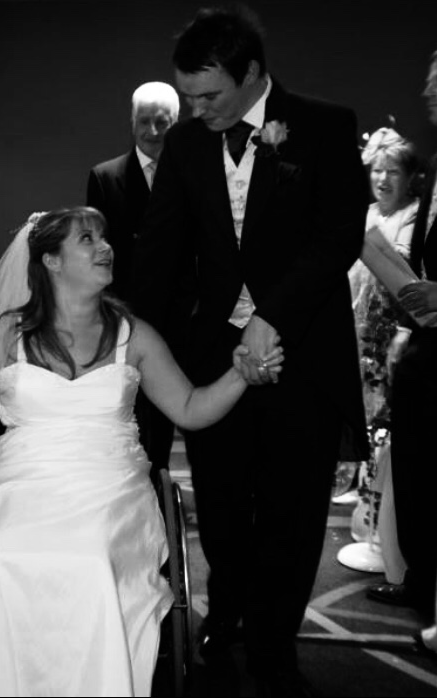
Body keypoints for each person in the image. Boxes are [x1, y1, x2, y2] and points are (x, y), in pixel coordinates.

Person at [0, 207, 283, 698]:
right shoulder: (6, 334)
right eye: (87, 239)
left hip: (110, 484)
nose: (105, 247)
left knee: (91, 553)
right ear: (50, 261)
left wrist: (240, 375)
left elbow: (190, 409)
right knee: (4, 550)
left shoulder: (136, 335)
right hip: (20, 480)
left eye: (104, 237)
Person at [132, 6, 368, 695]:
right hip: (212, 358)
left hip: (303, 352)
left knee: (294, 509)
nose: (196, 110)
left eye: (209, 95)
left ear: (253, 74)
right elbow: (161, 249)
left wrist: (271, 317)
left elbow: (337, 237)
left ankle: (273, 642)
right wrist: (126, 334)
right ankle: (227, 611)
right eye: (189, 96)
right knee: (223, 503)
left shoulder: (324, 125)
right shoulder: (185, 144)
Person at [369, 50, 437, 620]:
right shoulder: (435, 168)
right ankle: (422, 581)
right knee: (417, 470)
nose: (428, 93)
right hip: (424, 344)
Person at [87, 81, 184, 483]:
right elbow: (96, 252)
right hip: (123, 313)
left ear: (176, 122)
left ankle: (159, 486)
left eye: (162, 122)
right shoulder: (105, 177)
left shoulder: (193, 176)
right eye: (144, 121)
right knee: (125, 410)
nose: (153, 131)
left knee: (169, 412)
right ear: (131, 121)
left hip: (180, 315)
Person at [346, 127, 419, 588]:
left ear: (409, 178)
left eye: (393, 171)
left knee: (386, 433)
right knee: (367, 427)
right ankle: (366, 518)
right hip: (359, 337)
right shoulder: (366, 214)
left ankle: (384, 535)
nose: (384, 179)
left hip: (397, 340)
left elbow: (408, 278)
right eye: (377, 170)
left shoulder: (413, 217)